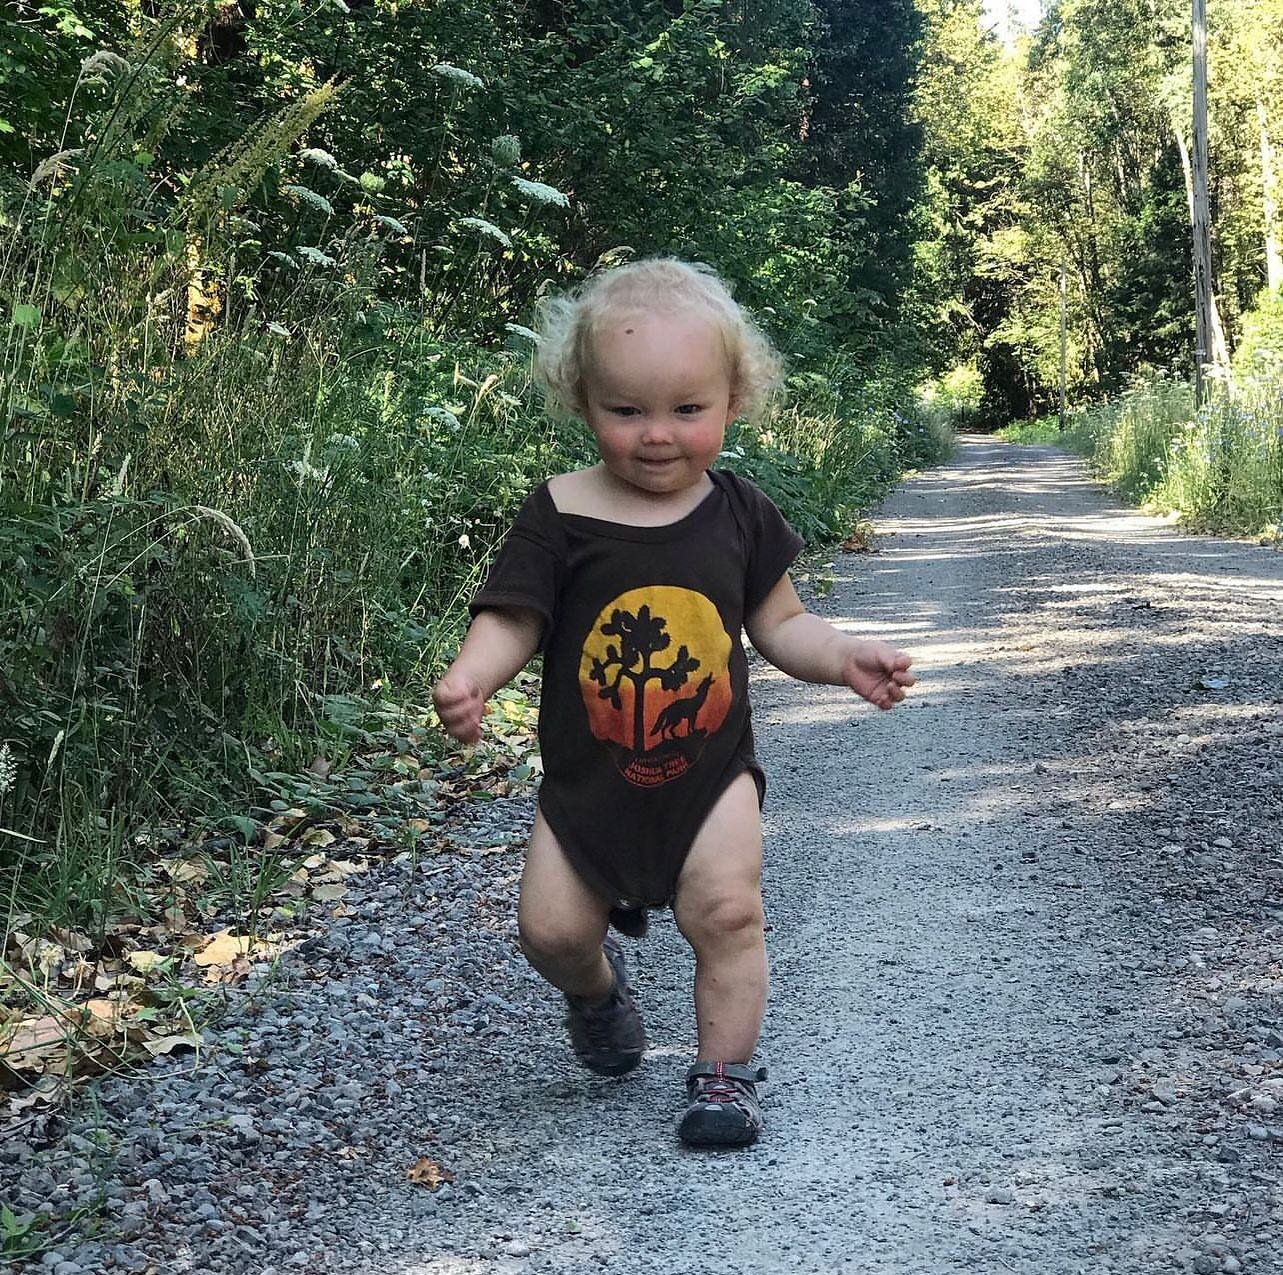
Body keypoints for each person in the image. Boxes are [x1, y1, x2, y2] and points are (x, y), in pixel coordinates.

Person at [432, 258, 914, 1147]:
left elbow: (781, 623)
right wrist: (473, 675)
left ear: (734, 401)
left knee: (728, 910)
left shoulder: (738, 512)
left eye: (687, 410)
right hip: (589, 782)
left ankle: (724, 1075)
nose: (658, 435)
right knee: (548, 931)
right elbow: (512, 617)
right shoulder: (561, 512)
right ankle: (596, 991)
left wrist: (843, 656)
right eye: (627, 410)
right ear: (582, 401)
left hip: (708, 774)